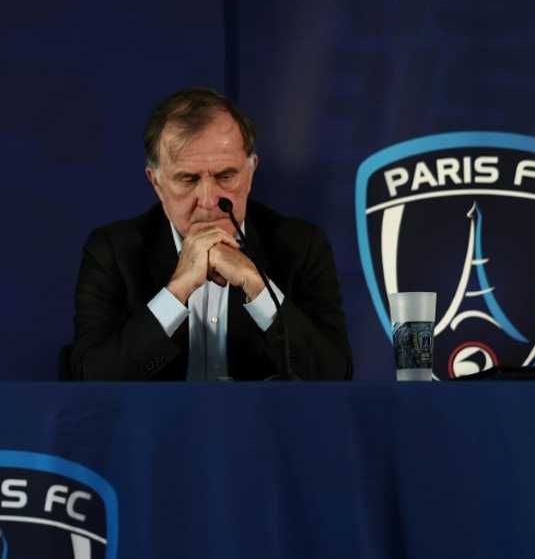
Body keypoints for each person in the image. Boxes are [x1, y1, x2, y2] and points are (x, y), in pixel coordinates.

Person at [70, 87, 351, 381]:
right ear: (156, 182)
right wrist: (176, 291)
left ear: (251, 171)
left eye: (225, 176)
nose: (208, 200)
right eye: (188, 179)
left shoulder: (301, 246)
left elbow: (334, 376)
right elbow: (90, 379)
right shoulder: (113, 251)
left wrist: (258, 287)